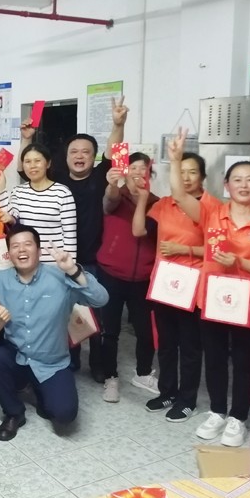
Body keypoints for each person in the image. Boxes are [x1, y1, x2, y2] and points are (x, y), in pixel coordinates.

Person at [168, 129, 250, 447]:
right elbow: (180, 196)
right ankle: (218, 411)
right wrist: (175, 160)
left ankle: (238, 417)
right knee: (215, 358)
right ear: (226, 185)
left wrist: (240, 262)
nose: (244, 185)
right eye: (237, 180)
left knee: (244, 362)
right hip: (213, 300)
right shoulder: (212, 213)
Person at [19, 98, 126, 372]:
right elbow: (26, 168)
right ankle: (72, 360)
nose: (79, 156)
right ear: (64, 157)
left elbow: (113, 152)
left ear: (94, 157)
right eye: (74, 151)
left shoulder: (101, 175)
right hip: (59, 260)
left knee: (97, 315)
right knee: (66, 314)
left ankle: (100, 367)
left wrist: (118, 124)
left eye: (86, 152)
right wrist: (27, 139)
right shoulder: (57, 179)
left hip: (93, 259)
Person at [0, 225, 109, 441]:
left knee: (64, 415)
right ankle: (14, 413)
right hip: (17, 356)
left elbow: (101, 299)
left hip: (51, 362)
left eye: (27, 244)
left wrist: (74, 271)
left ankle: (39, 390)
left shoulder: (60, 277)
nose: (22, 250)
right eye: (15, 246)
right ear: (8, 254)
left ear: (39, 251)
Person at [132, 152, 221, 421]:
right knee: (167, 343)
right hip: (165, 284)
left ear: (203, 177)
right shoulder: (165, 204)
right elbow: (139, 231)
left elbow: (219, 249)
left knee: (190, 346)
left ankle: (187, 399)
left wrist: (184, 249)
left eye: (192, 172)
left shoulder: (212, 207)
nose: (186, 177)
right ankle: (167, 392)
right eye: (181, 172)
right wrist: (143, 199)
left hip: (194, 287)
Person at [96, 152, 159, 401]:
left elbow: (144, 231)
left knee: (145, 331)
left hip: (143, 277)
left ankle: (143, 373)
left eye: (143, 169)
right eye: (133, 168)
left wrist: (143, 199)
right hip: (111, 273)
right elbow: (108, 200)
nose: (138, 173)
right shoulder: (116, 196)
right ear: (125, 171)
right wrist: (112, 183)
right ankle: (110, 377)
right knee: (110, 330)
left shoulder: (157, 204)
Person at [7, 143, 77, 264]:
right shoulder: (17, 192)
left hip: (54, 263)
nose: (32, 166)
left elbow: (70, 235)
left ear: (48, 163)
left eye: (37, 161)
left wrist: (69, 266)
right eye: (27, 162)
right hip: (25, 263)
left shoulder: (62, 192)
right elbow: (12, 223)